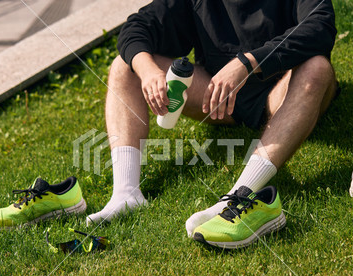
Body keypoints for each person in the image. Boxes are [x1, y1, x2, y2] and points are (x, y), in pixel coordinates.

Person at [86, 0, 339, 248]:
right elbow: (138, 26)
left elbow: (319, 26)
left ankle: (240, 194)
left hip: (283, 91)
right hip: (218, 97)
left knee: (317, 67)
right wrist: (149, 71)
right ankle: (126, 193)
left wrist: (247, 63)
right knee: (126, 64)